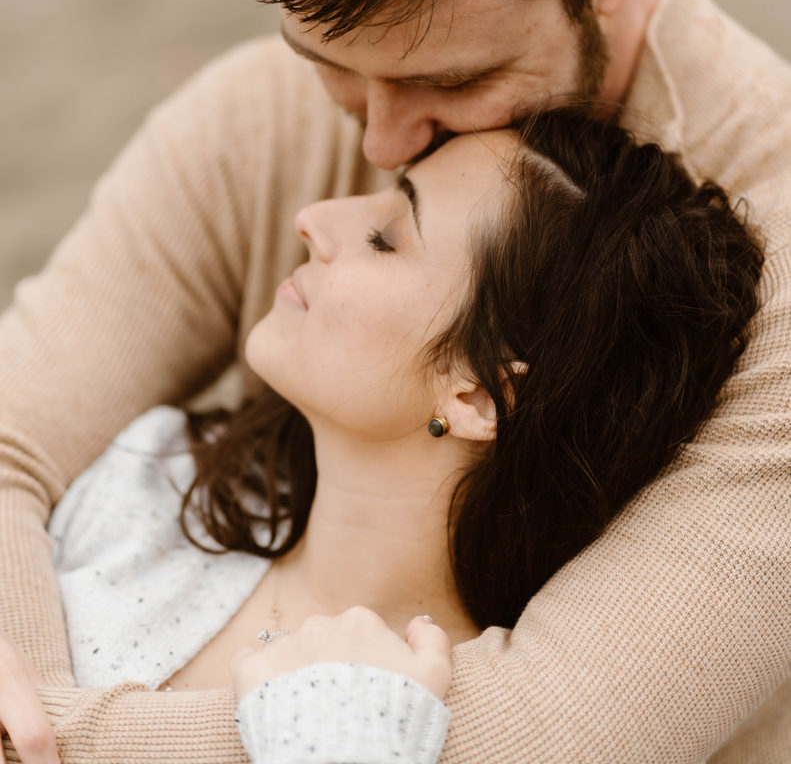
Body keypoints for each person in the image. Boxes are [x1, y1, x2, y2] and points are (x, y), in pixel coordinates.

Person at [1, 0, 790, 761]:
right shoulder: (251, 119)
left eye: (454, 83)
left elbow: (534, 740)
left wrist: (39, 737)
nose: (373, 142)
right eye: (326, 63)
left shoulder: (776, 259)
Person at [32, 112, 765, 764]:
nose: (315, 217)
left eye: (384, 239)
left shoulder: (480, 726)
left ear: (478, 394)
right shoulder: (147, 481)